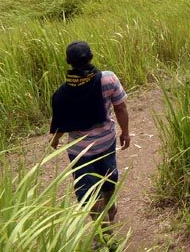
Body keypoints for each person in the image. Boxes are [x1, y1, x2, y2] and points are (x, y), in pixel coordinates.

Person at [49, 41, 130, 229]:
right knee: (109, 176)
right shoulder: (108, 79)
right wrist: (125, 133)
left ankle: (102, 229)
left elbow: (61, 122)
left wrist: (55, 140)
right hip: (106, 142)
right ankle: (111, 209)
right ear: (91, 57)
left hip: (80, 151)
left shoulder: (62, 94)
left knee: (87, 190)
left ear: (69, 62)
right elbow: (121, 107)